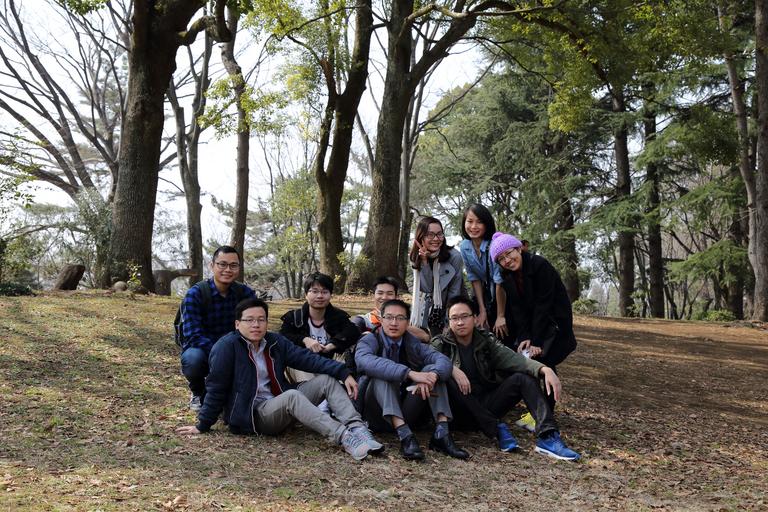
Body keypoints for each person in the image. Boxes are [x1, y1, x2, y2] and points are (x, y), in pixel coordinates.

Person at [176, 298, 383, 461]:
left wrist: (342, 372)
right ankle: (345, 437)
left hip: (280, 401)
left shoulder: (274, 342)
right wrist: (203, 424)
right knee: (292, 396)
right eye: (249, 320)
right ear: (237, 324)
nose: (256, 325)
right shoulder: (226, 347)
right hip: (254, 415)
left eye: (261, 320)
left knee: (326, 381)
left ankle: (358, 430)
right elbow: (216, 387)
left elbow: (307, 359)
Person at [431, 297, 580, 461]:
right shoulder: (440, 344)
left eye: (464, 316)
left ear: (475, 318)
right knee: (445, 377)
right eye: (454, 318)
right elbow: (427, 363)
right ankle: (496, 427)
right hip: (458, 412)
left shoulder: (485, 340)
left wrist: (544, 369)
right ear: (449, 322)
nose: (460, 322)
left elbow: (513, 359)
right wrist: (451, 368)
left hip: (487, 404)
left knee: (523, 377)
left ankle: (548, 436)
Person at [354, 299, 469, 461]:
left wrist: (432, 376)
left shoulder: (412, 342)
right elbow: (365, 361)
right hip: (376, 413)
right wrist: (410, 373)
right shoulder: (369, 340)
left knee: (432, 370)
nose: (394, 323)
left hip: (406, 409)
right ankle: (405, 437)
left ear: (407, 322)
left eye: (400, 318)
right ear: (381, 320)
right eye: (389, 317)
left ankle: (442, 434)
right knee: (382, 375)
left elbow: (442, 360)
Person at [489, 231, 578, 429]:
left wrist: (536, 341)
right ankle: (539, 411)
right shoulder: (507, 275)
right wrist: (525, 337)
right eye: (501, 259)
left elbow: (543, 305)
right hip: (534, 325)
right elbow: (517, 309)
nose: (507, 260)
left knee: (545, 361)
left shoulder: (539, 265)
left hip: (554, 323)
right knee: (530, 361)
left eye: (509, 253)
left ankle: (544, 413)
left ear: (519, 249)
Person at [179, 245, 256, 411]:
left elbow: (255, 326)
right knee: (193, 359)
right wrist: (221, 352)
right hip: (203, 348)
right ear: (212, 266)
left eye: (233, 265)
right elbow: (193, 336)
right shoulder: (196, 294)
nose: (227, 270)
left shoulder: (246, 294)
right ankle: (198, 391)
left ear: (239, 268)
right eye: (222, 264)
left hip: (236, 348)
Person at [280, 272, 361, 381]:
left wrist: (333, 344)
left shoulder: (338, 317)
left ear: (330, 295)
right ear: (306, 294)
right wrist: (305, 340)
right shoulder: (294, 318)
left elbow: (353, 332)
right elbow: (282, 337)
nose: (320, 296)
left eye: (324, 292)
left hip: (330, 365)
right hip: (303, 366)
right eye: (314, 291)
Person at [409, 216, 466, 336]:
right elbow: (427, 288)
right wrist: (424, 262)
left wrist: (449, 322)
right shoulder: (416, 257)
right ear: (421, 237)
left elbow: (454, 292)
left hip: (449, 309)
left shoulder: (454, 257)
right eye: (430, 235)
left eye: (439, 234)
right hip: (425, 311)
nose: (436, 239)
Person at [458, 204, 507, 336]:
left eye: (479, 222)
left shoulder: (495, 244)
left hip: (505, 294)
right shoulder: (464, 246)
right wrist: (482, 310)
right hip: (487, 295)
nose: (474, 226)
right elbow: (474, 278)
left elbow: (499, 281)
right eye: (470, 221)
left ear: (487, 224)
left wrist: (500, 315)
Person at [351, 276, 430, 343]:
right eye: (380, 293)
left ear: (396, 297)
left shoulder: (409, 319)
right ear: (373, 295)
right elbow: (351, 335)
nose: (384, 297)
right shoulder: (364, 321)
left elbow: (426, 337)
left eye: (389, 294)